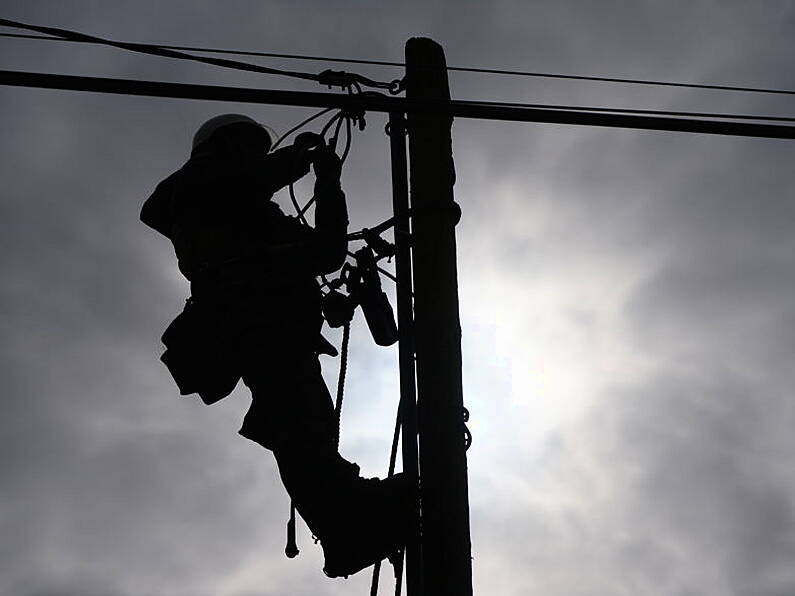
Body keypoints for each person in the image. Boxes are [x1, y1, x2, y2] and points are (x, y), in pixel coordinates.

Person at [141, 113, 411, 578]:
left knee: (306, 422)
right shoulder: (193, 187)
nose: (257, 157)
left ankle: (346, 514)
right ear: (225, 147)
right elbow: (240, 183)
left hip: (278, 325)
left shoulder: (255, 212)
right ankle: (345, 521)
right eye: (251, 148)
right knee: (298, 423)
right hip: (249, 319)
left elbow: (325, 251)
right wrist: (297, 159)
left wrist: (328, 184)